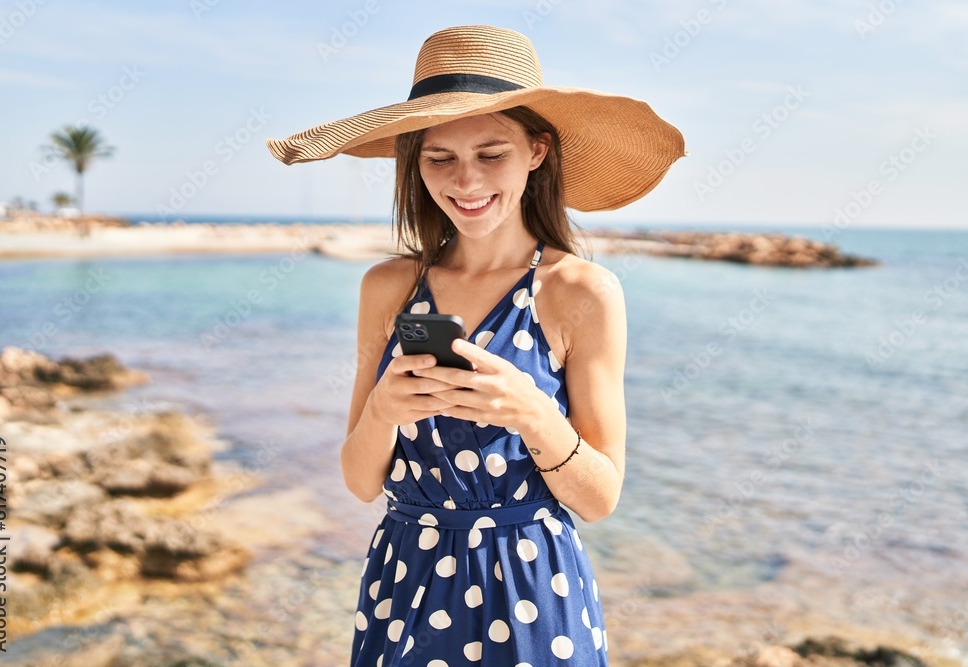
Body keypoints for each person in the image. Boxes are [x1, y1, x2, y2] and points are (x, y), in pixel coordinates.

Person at [267, 24, 684, 666]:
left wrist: (533, 414)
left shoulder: (581, 291)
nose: (466, 181)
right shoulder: (387, 287)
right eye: (440, 158)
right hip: (404, 581)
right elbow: (359, 482)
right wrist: (383, 411)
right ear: (414, 160)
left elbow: (600, 499)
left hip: (531, 590)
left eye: (492, 154)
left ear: (537, 152)